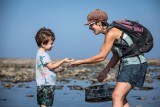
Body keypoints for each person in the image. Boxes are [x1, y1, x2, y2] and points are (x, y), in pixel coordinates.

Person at [71, 9, 148, 107]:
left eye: (91, 25)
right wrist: (105, 71)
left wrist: (80, 62)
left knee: (116, 96)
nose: (90, 28)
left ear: (99, 23)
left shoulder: (111, 33)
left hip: (134, 65)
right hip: (131, 65)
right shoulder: (110, 32)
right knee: (121, 98)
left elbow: (101, 57)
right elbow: (116, 56)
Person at [35, 27, 73, 107]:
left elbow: (46, 68)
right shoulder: (43, 55)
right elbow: (51, 67)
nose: (53, 45)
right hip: (47, 85)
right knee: (45, 104)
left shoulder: (40, 53)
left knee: (43, 103)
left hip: (42, 84)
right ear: (43, 43)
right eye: (51, 43)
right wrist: (63, 60)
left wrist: (57, 69)